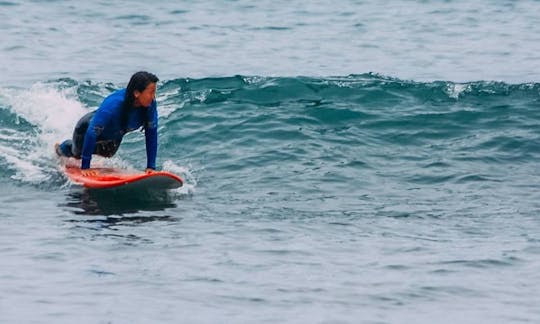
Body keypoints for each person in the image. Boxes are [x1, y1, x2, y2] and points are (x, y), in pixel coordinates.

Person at [56, 71, 159, 176]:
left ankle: (90, 154)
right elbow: (92, 132)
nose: (153, 96)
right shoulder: (113, 105)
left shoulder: (150, 106)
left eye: (154, 92)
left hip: (113, 135)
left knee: (107, 155)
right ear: (137, 93)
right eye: (150, 92)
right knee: (77, 155)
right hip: (86, 129)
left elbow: (151, 134)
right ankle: (62, 148)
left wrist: (151, 167)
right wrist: (85, 167)